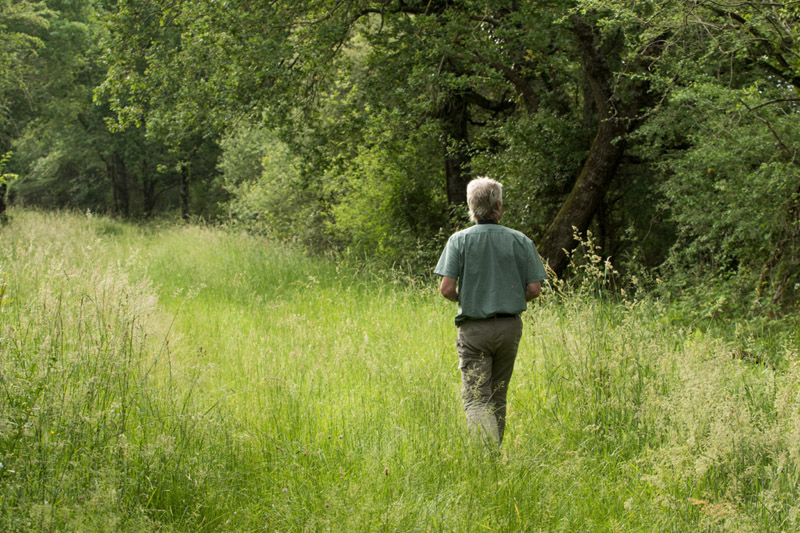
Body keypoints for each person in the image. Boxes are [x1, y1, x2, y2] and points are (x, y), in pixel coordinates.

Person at [434, 177, 547, 445]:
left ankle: (485, 462)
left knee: (476, 398)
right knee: (498, 394)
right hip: (509, 328)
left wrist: (472, 300)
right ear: (498, 206)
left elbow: (446, 289)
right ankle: (494, 456)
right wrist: (507, 300)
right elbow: (534, 289)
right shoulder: (520, 241)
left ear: (471, 208)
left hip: (474, 330)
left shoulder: (459, 241)